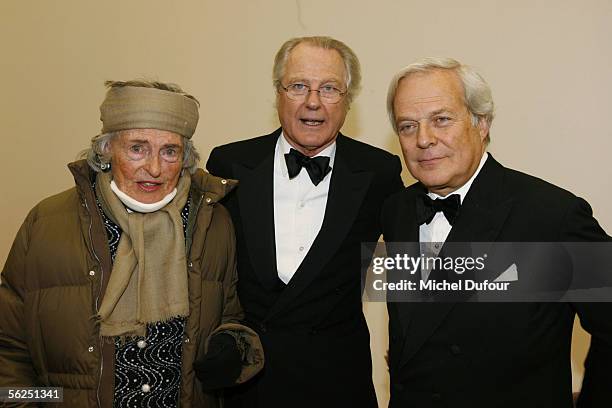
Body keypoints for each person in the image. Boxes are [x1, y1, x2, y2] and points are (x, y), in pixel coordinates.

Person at [0, 80, 263, 408]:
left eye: (169, 151)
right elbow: (8, 350)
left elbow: (230, 314)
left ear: (185, 158)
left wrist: (233, 345)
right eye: (137, 148)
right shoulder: (47, 222)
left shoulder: (214, 223)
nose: (154, 168)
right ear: (107, 149)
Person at [381, 57, 612, 407]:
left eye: (441, 120)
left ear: (482, 122)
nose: (423, 140)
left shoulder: (553, 215)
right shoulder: (395, 210)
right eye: (407, 126)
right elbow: (418, 334)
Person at [206, 36, 403, 407]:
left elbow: (411, 272)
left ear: (348, 100)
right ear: (278, 93)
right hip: (247, 381)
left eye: (329, 88)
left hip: (335, 381)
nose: (313, 101)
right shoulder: (229, 164)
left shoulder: (378, 171)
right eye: (299, 86)